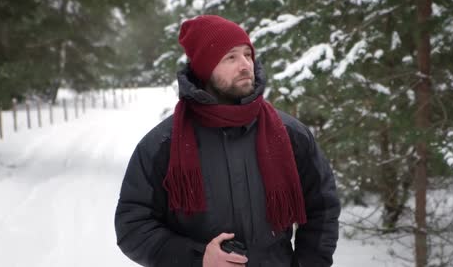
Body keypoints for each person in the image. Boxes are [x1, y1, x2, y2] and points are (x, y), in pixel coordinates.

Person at [115, 15, 340, 267]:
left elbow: (323, 208)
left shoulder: (290, 134)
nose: (245, 65)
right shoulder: (162, 144)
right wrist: (198, 258)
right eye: (230, 57)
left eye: (247, 54)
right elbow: (132, 227)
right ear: (204, 68)